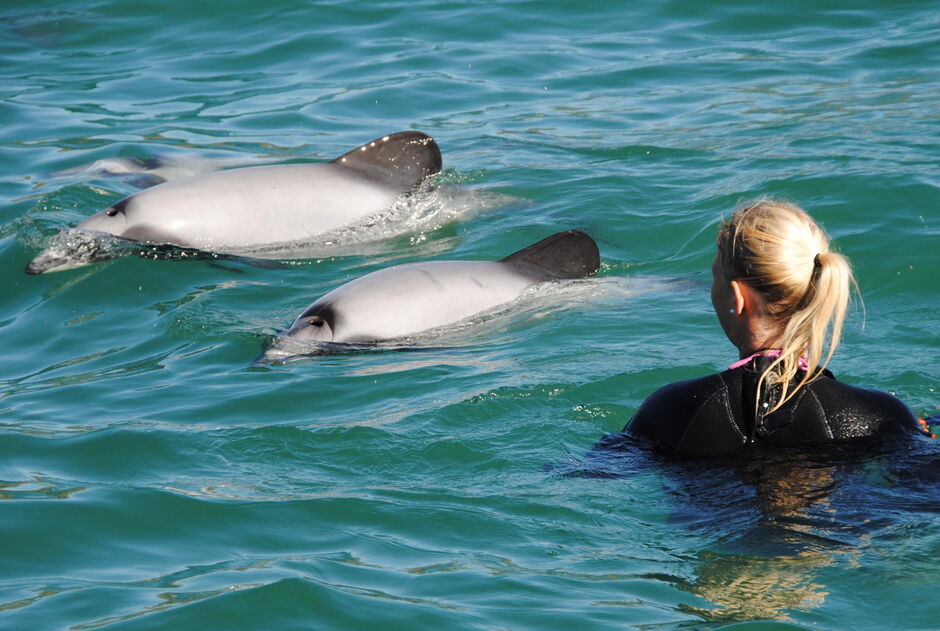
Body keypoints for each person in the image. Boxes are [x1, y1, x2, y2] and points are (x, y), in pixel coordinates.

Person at [625, 200, 928, 456]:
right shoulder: (880, 416)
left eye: (714, 276)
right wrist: (907, 426)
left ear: (736, 296)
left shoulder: (670, 411)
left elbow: (601, 475)